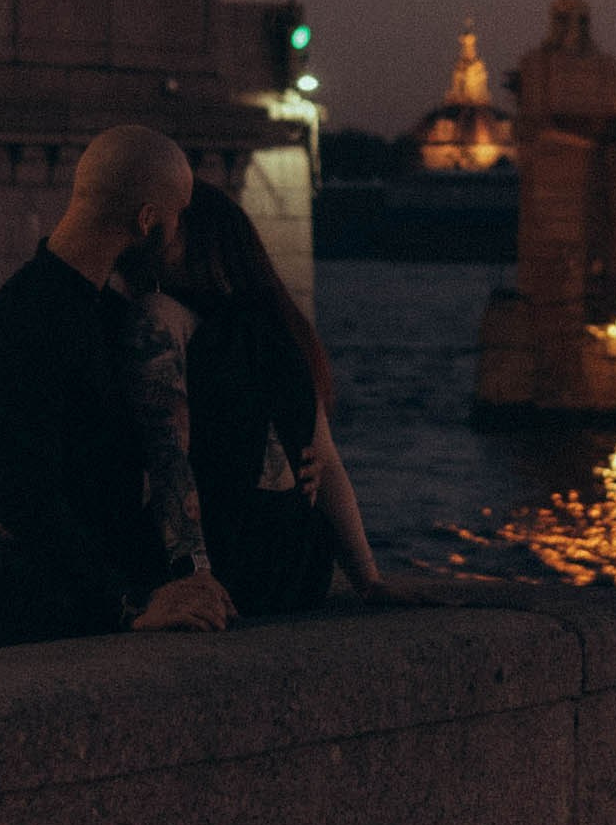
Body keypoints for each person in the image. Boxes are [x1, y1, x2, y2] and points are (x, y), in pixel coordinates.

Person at [0, 124, 236, 647]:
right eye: (177, 215)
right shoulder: (29, 321)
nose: (180, 234)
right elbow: (25, 497)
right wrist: (130, 602)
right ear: (147, 220)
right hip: (40, 619)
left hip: (76, 604)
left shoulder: (88, 312)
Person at [167, 182, 425, 615]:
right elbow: (328, 461)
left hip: (227, 567)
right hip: (299, 565)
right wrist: (369, 579)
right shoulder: (279, 330)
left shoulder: (169, 317)